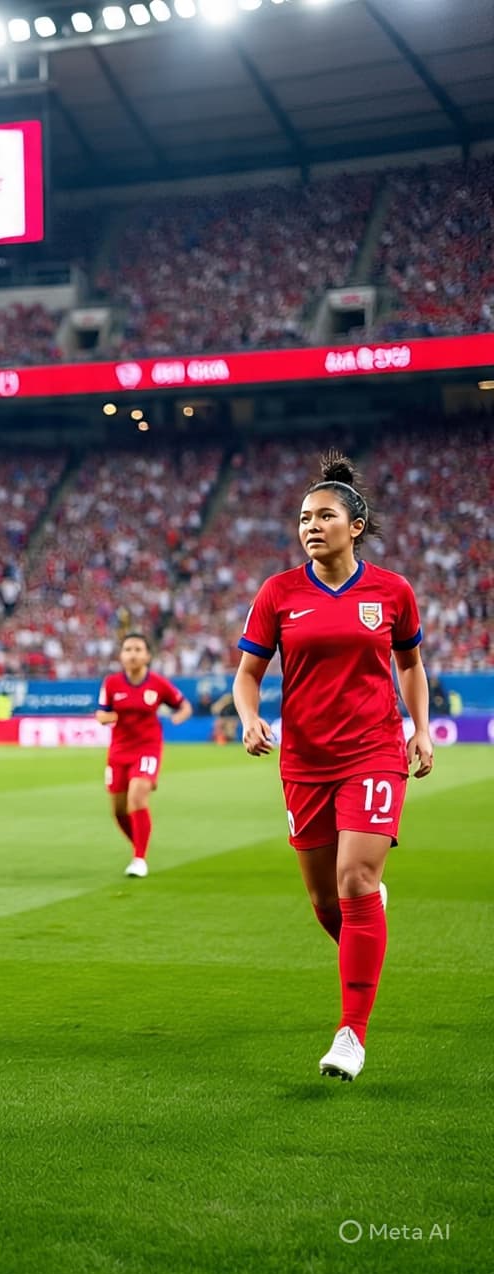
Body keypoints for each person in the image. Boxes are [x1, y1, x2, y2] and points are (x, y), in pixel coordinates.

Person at [233, 452, 433, 1083]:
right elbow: (248, 674)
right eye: (302, 518)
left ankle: (351, 1033)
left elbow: (410, 665)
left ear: (356, 523)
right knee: (328, 904)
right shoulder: (278, 593)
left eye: (323, 516)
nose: (310, 526)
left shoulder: (392, 591)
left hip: (374, 750)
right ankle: (367, 930)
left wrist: (420, 728)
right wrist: (249, 717)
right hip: (305, 760)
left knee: (353, 879)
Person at [96, 632, 192, 878]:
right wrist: (110, 717)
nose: (133, 654)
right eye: (128, 649)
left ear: (148, 655)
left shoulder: (158, 684)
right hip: (118, 751)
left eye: (138, 649)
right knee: (118, 810)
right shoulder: (112, 683)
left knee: (137, 798)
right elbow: (101, 714)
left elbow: (183, 704)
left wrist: (178, 717)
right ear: (121, 655)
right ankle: (138, 845)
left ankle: (139, 858)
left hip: (147, 748)